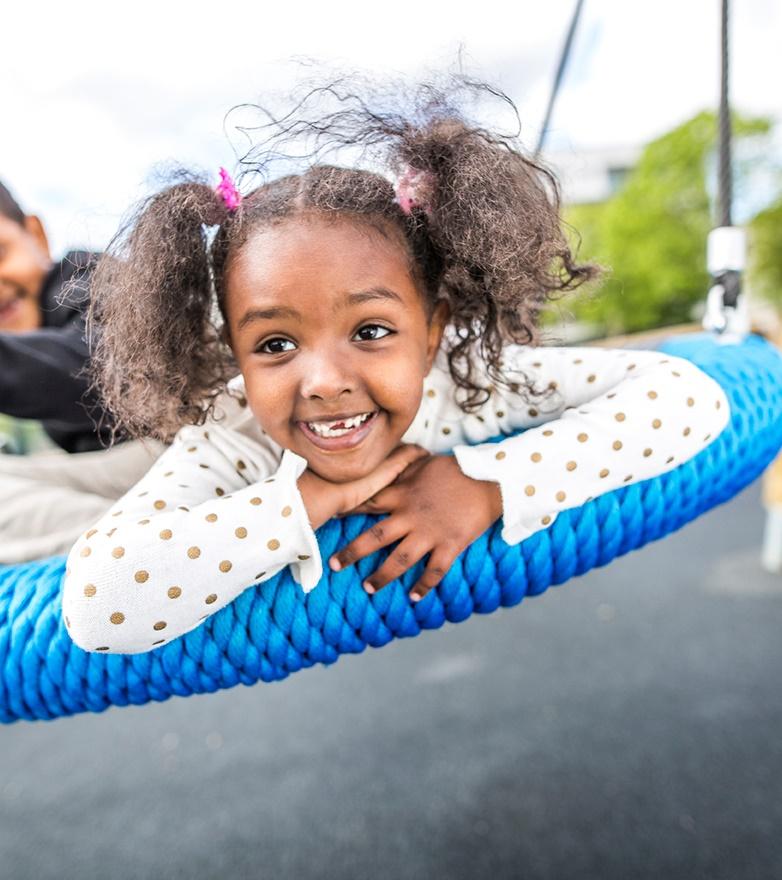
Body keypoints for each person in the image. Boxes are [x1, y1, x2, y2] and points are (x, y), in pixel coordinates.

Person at [62, 83, 730, 654]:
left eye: (371, 330)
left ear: (433, 330)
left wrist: (488, 482)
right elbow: (98, 602)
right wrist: (317, 498)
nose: (324, 380)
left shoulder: (472, 384)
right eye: (274, 345)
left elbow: (688, 399)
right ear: (235, 357)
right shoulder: (232, 437)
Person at [0, 180, 163, 562]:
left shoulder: (84, 278)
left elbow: (99, 370)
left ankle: (150, 547)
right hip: (120, 478)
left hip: (188, 443)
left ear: (36, 236)